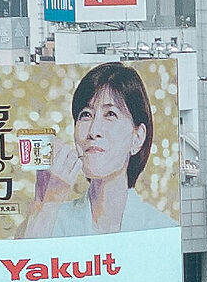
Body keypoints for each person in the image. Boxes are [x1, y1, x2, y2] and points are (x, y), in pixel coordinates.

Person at [15, 62, 175, 243]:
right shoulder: (49, 218)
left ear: (137, 137)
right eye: (86, 114)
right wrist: (45, 201)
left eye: (110, 114)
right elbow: (25, 266)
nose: (93, 130)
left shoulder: (161, 229)